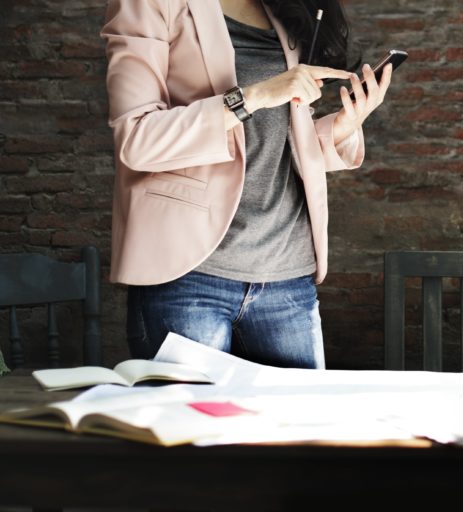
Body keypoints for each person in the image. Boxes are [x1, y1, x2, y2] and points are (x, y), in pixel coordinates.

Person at [102, 0, 392, 368]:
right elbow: (137, 139)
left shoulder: (285, 9)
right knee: (192, 425)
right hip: (189, 276)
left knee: (298, 426)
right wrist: (252, 97)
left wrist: (343, 127)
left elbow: (273, 141)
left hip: (288, 275)